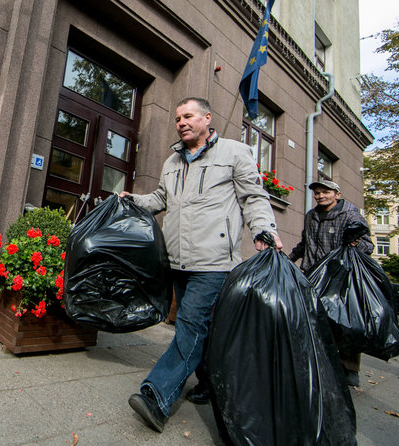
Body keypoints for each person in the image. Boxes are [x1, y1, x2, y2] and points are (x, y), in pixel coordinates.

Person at [120, 97, 282, 433]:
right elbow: (161, 199)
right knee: (202, 329)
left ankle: (157, 396)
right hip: (178, 261)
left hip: (214, 262)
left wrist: (264, 229)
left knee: (190, 326)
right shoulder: (172, 161)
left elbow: (253, 196)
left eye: (188, 116)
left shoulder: (235, 153)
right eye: (178, 117)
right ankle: (210, 383)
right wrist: (132, 200)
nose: (181, 122)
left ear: (207, 118)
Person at [288, 179, 374, 386]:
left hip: (340, 277)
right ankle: (317, 361)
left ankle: (349, 368)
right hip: (313, 275)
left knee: (345, 322)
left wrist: (356, 243)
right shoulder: (311, 215)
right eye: (317, 193)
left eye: (325, 192)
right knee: (313, 318)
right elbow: (305, 243)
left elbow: (367, 245)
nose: (320, 196)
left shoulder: (351, 215)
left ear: (337, 194)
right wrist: (289, 259)